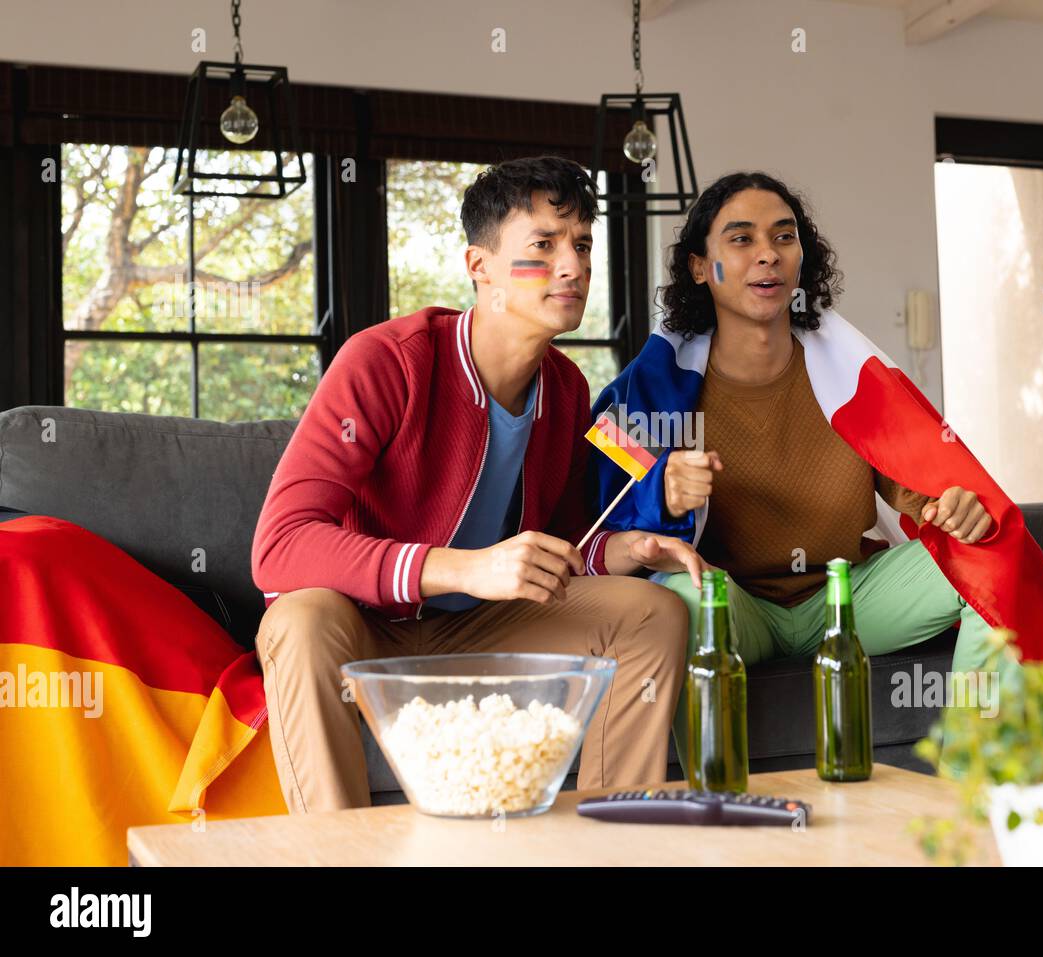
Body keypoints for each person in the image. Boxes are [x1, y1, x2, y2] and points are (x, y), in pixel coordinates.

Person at [589, 171, 1043, 769]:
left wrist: (952, 505)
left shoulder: (855, 373)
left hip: (844, 594)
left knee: (992, 553)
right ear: (700, 267)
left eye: (784, 236)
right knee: (676, 601)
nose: (768, 254)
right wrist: (662, 495)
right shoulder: (643, 391)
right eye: (742, 239)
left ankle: (972, 778)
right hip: (735, 604)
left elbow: (920, 486)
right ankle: (714, 804)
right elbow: (601, 524)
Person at [251, 156, 705, 813]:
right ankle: (337, 856)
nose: (573, 265)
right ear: (479, 266)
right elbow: (278, 548)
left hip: (482, 631)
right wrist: (466, 567)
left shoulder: (569, 387)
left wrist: (624, 550)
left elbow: (562, 542)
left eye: (580, 244)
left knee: (650, 612)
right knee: (298, 618)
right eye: (543, 246)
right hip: (366, 628)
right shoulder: (383, 362)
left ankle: (620, 840)